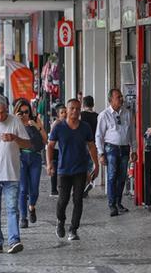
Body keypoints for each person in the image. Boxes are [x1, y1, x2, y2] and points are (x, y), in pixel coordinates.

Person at [47, 98, 99, 241]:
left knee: (78, 200)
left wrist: (96, 164)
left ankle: (73, 229)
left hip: (80, 169)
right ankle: (60, 221)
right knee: (63, 200)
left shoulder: (85, 127)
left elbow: (91, 146)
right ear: (67, 110)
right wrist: (50, 163)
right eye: (72, 109)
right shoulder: (59, 127)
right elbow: (50, 146)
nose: (75, 111)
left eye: (77, 108)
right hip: (64, 170)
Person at [0, 95, 32, 253]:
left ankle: (14, 240)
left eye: (2, 112)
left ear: (7, 109)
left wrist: (15, 138)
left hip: (12, 173)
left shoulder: (15, 121)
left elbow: (28, 144)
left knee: (12, 209)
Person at [96, 88, 137, 217]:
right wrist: (101, 153)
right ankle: (112, 204)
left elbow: (132, 133)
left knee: (122, 177)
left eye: (121, 97)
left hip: (124, 148)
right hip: (111, 148)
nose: (121, 99)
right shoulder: (104, 115)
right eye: (118, 97)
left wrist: (134, 149)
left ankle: (118, 202)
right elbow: (99, 135)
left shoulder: (127, 113)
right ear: (110, 100)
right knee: (112, 176)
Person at [14, 99, 47, 229]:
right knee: (22, 189)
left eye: (26, 111)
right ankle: (23, 217)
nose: (24, 114)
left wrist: (36, 126)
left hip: (35, 158)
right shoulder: (14, 122)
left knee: (34, 189)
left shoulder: (35, 120)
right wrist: (16, 122)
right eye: (21, 112)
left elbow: (45, 139)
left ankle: (31, 207)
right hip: (21, 157)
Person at [80, 95, 98, 198]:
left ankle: (84, 185)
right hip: (93, 144)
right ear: (93, 104)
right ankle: (88, 182)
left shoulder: (81, 115)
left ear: (83, 104)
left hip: (83, 143)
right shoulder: (97, 116)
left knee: (83, 165)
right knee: (91, 166)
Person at [48, 104, 67, 197]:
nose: (64, 114)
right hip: (55, 150)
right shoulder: (57, 123)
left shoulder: (66, 123)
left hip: (62, 150)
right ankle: (53, 189)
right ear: (58, 114)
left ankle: (61, 187)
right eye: (62, 112)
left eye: (65, 112)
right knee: (54, 169)